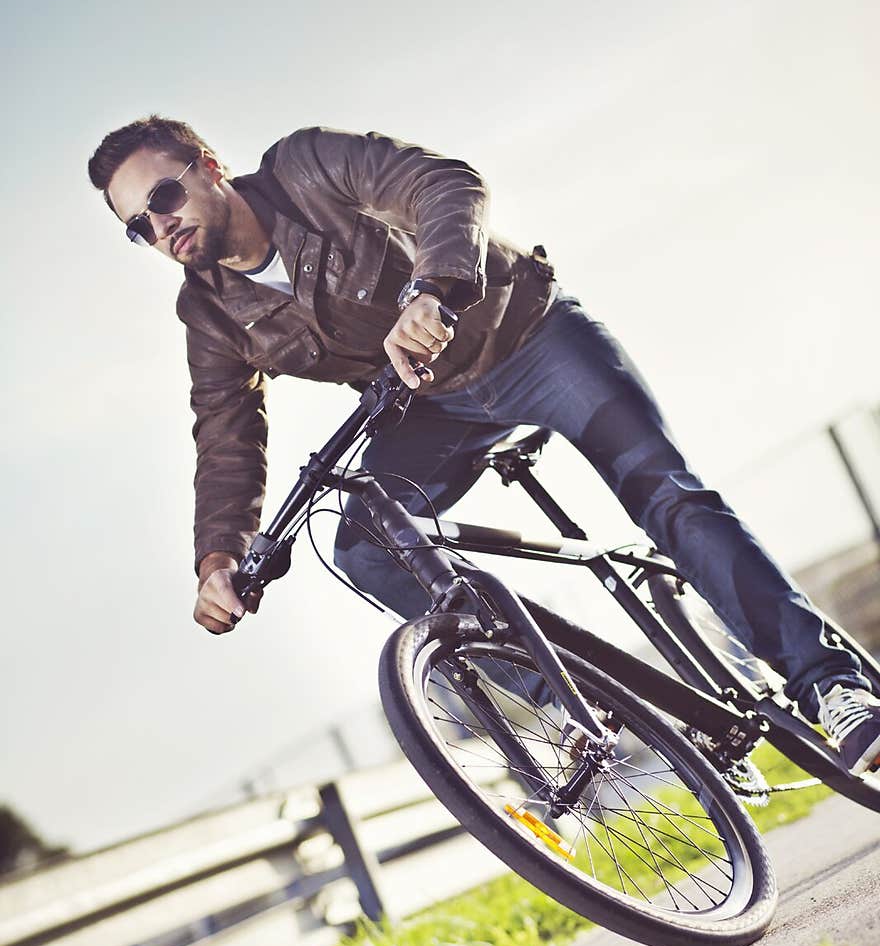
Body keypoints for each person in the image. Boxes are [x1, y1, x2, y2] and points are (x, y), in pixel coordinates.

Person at [88, 116, 880, 775]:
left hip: (526, 333)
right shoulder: (211, 315)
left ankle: (831, 688)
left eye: (164, 196)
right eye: (138, 227)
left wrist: (433, 289)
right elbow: (225, 436)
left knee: (663, 494)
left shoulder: (306, 168)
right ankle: (582, 705)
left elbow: (446, 184)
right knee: (367, 548)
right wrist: (217, 557)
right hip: (431, 407)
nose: (161, 226)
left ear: (209, 166)